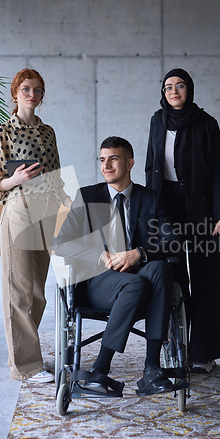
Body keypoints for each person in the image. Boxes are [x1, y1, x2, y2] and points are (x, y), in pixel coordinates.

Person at [54, 136, 185, 397]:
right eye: (102, 160)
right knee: (137, 283)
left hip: (141, 278)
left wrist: (140, 253)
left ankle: (152, 369)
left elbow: (175, 241)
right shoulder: (88, 197)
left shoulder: (151, 199)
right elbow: (61, 244)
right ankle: (100, 368)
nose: (106, 165)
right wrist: (100, 255)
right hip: (98, 281)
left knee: (159, 269)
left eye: (113, 159)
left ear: (129, 163)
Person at [145, 68, 220, 373]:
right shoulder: (157, 122)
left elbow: (218, 175)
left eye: (180, 86)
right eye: (168, 86)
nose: (174, 91)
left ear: (189, 89)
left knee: (206, 279)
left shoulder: (207, 124)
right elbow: (150, 168)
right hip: (166, 207)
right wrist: (149, 212)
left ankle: (204, 353)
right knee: (173, 278)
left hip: (202, 209)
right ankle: (177, 346)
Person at [0, 68, 72, 383]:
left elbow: (56, 173)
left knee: (37, 293)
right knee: (20, 289)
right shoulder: (3, 132)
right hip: (19, 207)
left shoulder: (48, 132)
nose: (32, 95)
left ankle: (22, 353)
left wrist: (68, 202)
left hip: (47, 209)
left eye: (38, 90)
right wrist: (18, 178)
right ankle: (25, 366)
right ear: (15, 93)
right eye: (26, 89)